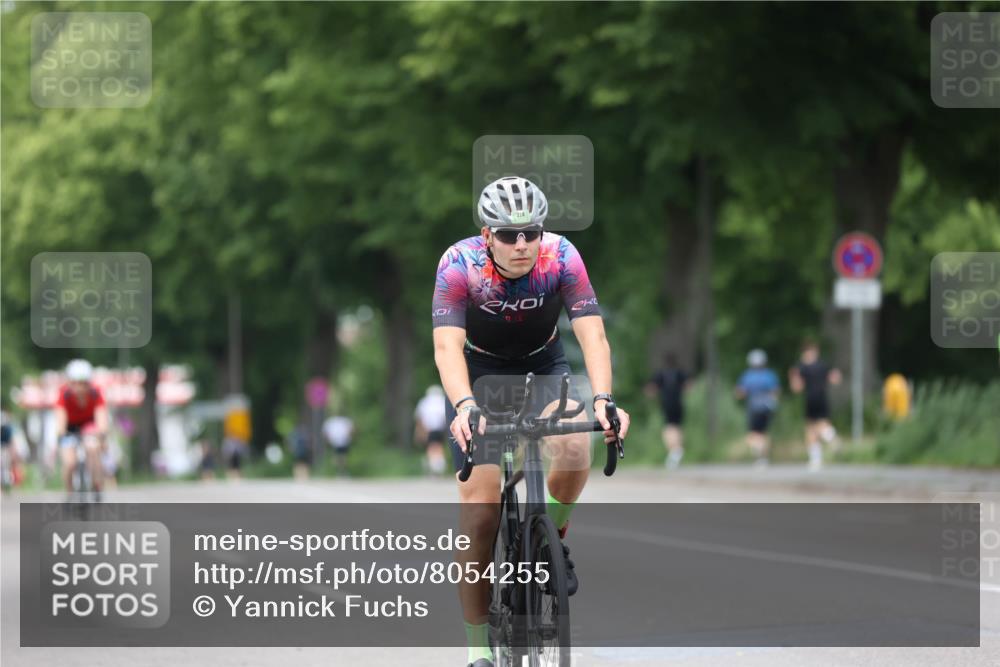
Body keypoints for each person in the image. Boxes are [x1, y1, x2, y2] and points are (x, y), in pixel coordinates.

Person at [433, 175, 631, 667]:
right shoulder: (459, 265)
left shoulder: (562, 256)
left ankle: (550, 542)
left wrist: (605, 398)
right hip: (477, 378)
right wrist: (463, 407)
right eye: (507, 235)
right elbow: (446, 347)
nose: (521, 244)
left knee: (574, 443)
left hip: (542, 367)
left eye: (531, 232)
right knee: (480, 515)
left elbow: (593, 338)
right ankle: (478, 652)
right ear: (487, 234)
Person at [54, 359, 110, 499]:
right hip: (70, 427)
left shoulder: (95, 394)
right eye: (75, 383)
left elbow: (101, 418)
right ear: (70, 383)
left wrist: (101, 434)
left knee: (92, 448)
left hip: (88, 425)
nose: (79, 388)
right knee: (69, 463)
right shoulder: (64, 395)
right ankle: (69, 493)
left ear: (88, 383)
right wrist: (61, 434)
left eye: (83, 383)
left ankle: (96, 484)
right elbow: (60, 419)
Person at [788, 339, 842, 471]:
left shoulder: (802, 367)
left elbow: (797, 388)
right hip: (823, 398)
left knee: (811, 429)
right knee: (822, 424)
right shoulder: (823, 365)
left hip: (810, 399)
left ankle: (819, 455)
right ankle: (830, 438)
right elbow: (835, 379)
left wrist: (792, 377)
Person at [645, 352, 690, 469]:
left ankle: (675, 450)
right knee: (678, 427)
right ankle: (677, 449)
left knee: (668, 428)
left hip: (667, 405)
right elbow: (688, 386)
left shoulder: (661, 374)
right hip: (678, 404)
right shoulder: (680, 373)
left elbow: (651, 389)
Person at [735, 349, 780, 467]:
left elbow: (741, 392)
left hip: (753, 407)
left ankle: (759, 453)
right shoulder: (769, 375)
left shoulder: (748, 376)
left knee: (752, 434)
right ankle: (763, 458)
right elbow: (775, 391)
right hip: (767, 406)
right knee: (764, 433)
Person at [414, 385, 448, 476]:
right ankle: (438, 466)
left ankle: (434, 467)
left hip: (428, 429)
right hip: (440, 429)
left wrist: (419, 431)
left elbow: (419, 418)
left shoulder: (424, 402)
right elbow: (445, 417)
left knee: (431, 447)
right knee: (438, 446)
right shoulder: (442, 401)